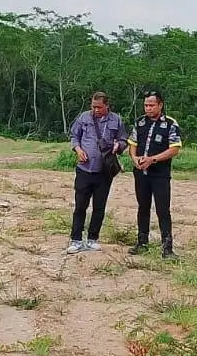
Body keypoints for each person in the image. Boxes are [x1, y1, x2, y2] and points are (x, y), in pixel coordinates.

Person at [66, 91, 129, 254]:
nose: (96, 110)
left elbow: (123, 139)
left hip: (104, 171)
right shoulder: (83, 118)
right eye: (93, 107)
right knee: (80, 206)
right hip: (84, 169)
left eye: (99, 107)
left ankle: (93, 238)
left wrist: (119, 146)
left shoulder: (116, 120)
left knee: (99, 206)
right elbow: (74, 136)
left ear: (107, 106)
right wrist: (78, 149)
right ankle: (76, 239)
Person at [130, 91, 184, 258]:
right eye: (146, 105)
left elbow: (174, 149)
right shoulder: (139, 122)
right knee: (143, 207)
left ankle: (167, 247)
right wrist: (134, 158)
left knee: (163, 209)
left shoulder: (170, 124)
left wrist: (153, 159)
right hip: (141, 173)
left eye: (152, 105)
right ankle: (142, 242)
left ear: (160, 105)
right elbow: (132, 143)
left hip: (160, 174)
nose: (148, 108)